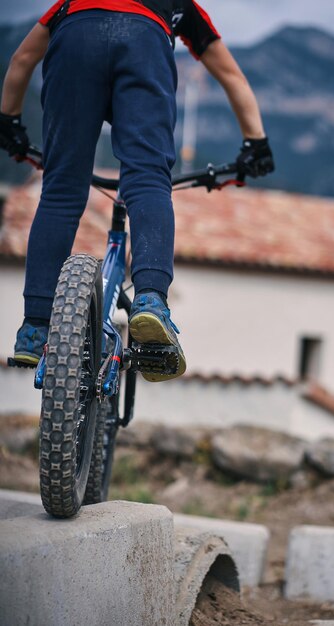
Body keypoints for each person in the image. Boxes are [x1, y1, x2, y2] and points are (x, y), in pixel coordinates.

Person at [0, 0, 274, 381]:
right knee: (147, 179)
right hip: (144, 42)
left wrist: (10, 122)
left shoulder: (70, 3)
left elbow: (20, 59)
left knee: (61, 189)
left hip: (75, 39)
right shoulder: (179, 5)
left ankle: (34, 329)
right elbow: (231, 75)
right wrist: (255, 144)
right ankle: (150, 299)